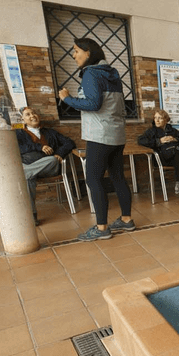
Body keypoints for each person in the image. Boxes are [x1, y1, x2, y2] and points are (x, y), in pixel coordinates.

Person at [58, 37, 134, 240]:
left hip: (99, 135)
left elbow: (93, 104)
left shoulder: (91, 73)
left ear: (88, 52)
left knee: (93, 178)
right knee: (117, 177)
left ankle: (101, 229)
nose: (74, 56)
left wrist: (67, 99)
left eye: (76, 51)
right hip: (117, 134)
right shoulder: (113, 74)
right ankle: (126, 220)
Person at [15, 107, 75, 224]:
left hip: (48, 166)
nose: (32, 116)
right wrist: (40, 147)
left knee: (52, 160)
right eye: (28, 114)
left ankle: (24, 172)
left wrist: (59, 153)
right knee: (28, 178)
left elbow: (70, 142)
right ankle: (32, 215)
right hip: (29, 166)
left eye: (34, 113)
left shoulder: (50, 132)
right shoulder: (19, 133)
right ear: (22, 119)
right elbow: (19, 148)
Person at [138, 110, 179, 196]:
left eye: (160, 118)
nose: (157, 120)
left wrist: (175, 139)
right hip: (162, 158)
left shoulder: (173, 131)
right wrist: (159, 141)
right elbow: (140, 140)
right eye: (155, 118)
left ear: (166, 120)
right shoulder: (152, 131)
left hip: (176, 158)